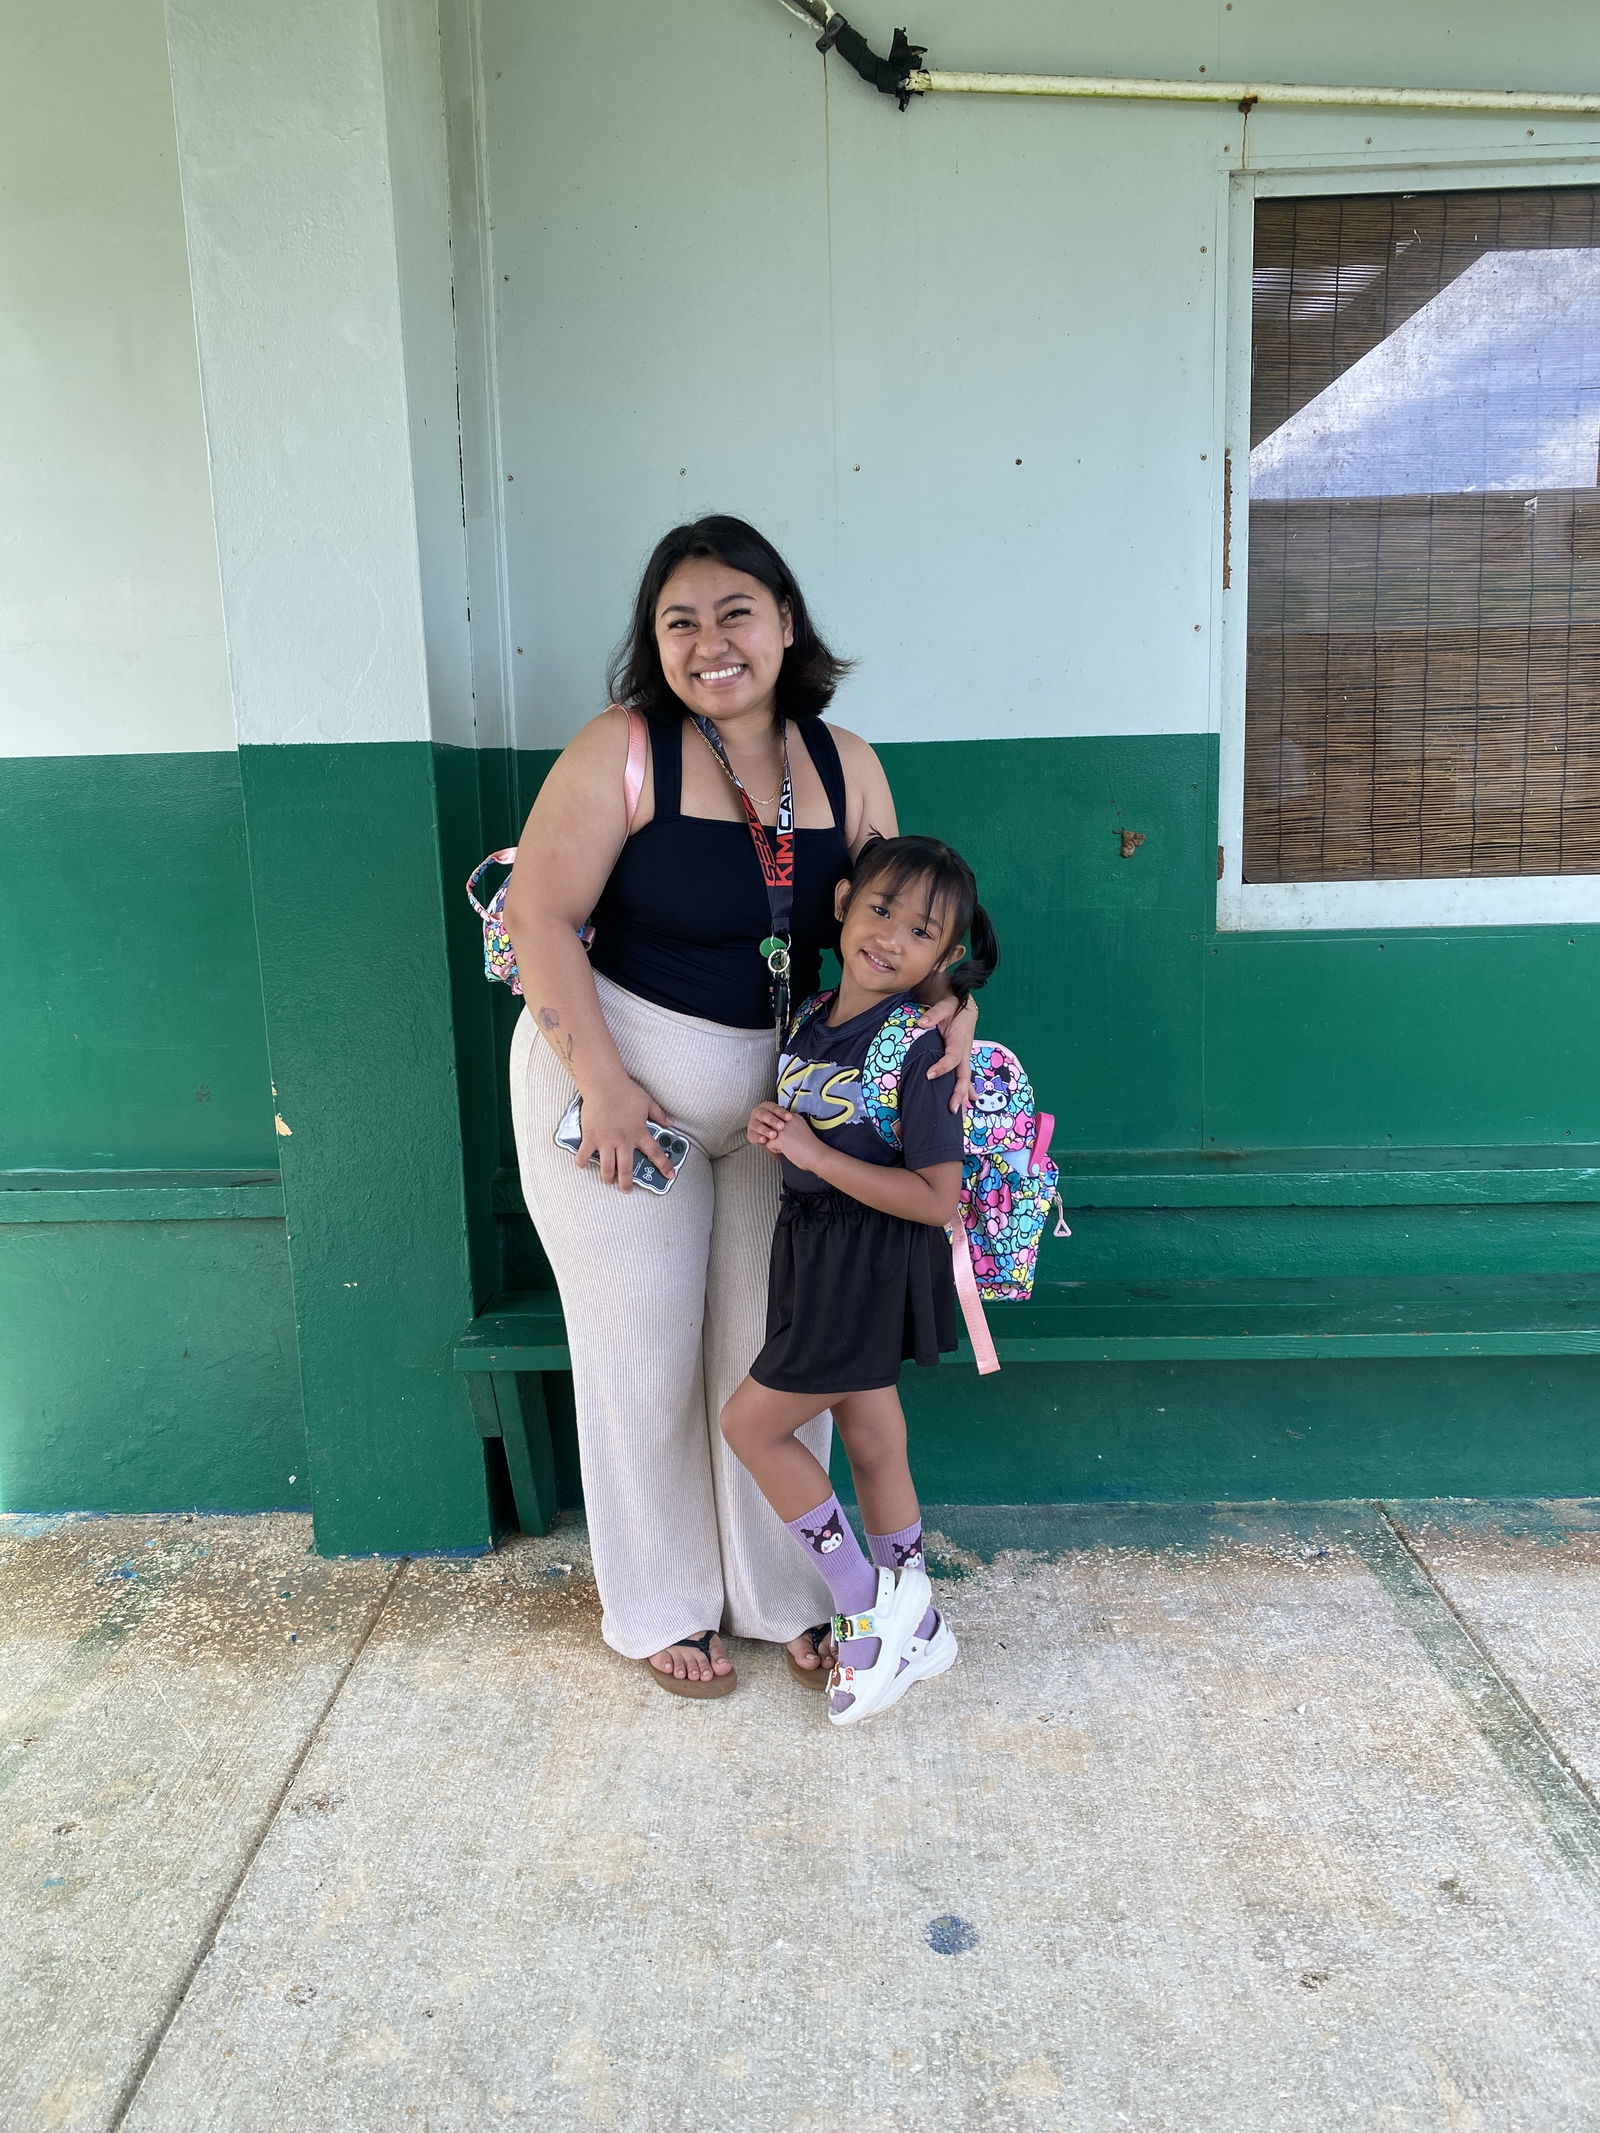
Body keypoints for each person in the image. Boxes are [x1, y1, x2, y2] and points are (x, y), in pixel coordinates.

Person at [502, 517, 976, 1697]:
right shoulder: (621, 749)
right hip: (618, 1088)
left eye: (735, 614)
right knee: (641, 1354)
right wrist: (603, 1087)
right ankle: (659, 1605)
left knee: (779, 1353)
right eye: (680, 622)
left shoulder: (844, 762)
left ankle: (786, 1599)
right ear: (651, 642)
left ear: (785, 624)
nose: (710, 642)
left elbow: (908, 926)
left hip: (792, 1105)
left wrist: (952, 1013)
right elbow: (537, 921)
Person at [720, 835, 998, 1726]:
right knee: (874, 1437)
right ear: (842, 902)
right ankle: (921, 1618)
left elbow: (934, 1199)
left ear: (944, 958)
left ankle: (868, 1608)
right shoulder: (810, 1015)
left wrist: (808, 1153)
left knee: (749, 1427)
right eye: (879, 909)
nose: (891, 937)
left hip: (867, 1260)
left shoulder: (917, 1048)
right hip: (815, 1250)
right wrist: (785, 1126)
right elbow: (822, 1123)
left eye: (921, 931)